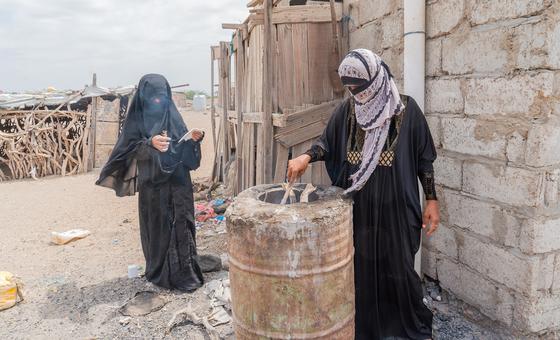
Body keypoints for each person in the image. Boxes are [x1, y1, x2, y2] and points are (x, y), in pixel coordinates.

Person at [287, 49, 439, 339]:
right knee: (361, 267)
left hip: (396, 207)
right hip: (360, 207)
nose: (358, 95)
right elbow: (328, 144)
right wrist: (306, 156)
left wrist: (431, 199)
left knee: (401, 268)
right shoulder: (348, 110)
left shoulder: (406, 110)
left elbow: (424, 160)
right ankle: (364, 328)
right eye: (351, 90)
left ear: (377, 78)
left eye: (362, 89)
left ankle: (401, 328)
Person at [96, 74, 205, 292]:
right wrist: (149, 143)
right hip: (154, 188)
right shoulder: (136, 120)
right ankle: (159, 272)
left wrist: (193, 140)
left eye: (162, 98)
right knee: (159, 229)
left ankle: (186, 272)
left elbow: (185, 153)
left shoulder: (173, 116)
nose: (158, 103)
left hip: (179, 183)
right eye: (153, 99)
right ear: (144, 98)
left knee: (183, 226)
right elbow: (125, 151)